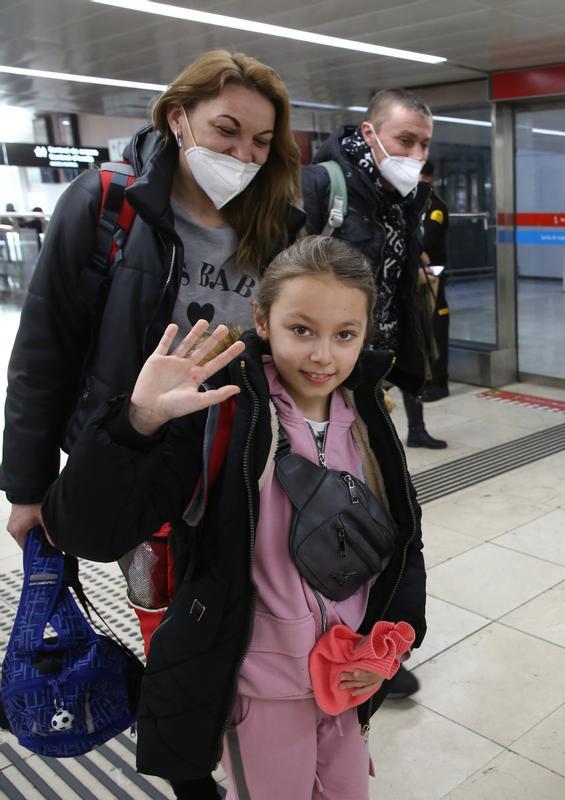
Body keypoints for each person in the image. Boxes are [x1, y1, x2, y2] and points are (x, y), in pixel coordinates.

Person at [41, 236, 427, 799]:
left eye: (345, 335)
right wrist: (136, 423)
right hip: (256, 686)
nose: (323, 356)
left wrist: (393, 641)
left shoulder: (365, 413)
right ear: (262, 320)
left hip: (344, 675)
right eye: (302, 329)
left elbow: (403, 542)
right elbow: (88, 532)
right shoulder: (222, 411)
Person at [2, 49, 304, 551]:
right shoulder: (108, 204)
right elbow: (42, 353)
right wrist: (27, 488)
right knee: (160, 608)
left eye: (261, 142)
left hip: (234, 456)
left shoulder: (277, 228)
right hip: (131, 446)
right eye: (226, 130)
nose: (242, 155)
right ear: (178, 117)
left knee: (229, 614)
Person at [301, 88, 446, 451]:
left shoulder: (407, 200)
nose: (417, 156)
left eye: (424, 145)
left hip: (380, 361)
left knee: (374, 474)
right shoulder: (320, 184)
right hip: (327, 363)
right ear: (369, 133)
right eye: (406, 141)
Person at [418, 161, 451, 402]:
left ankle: (439, 382)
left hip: (433, 276)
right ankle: (425, 378)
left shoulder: (435, 207)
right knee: (420, 329)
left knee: (436, 327)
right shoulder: (409, 204)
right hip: (415, 276)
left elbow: (427, 238)